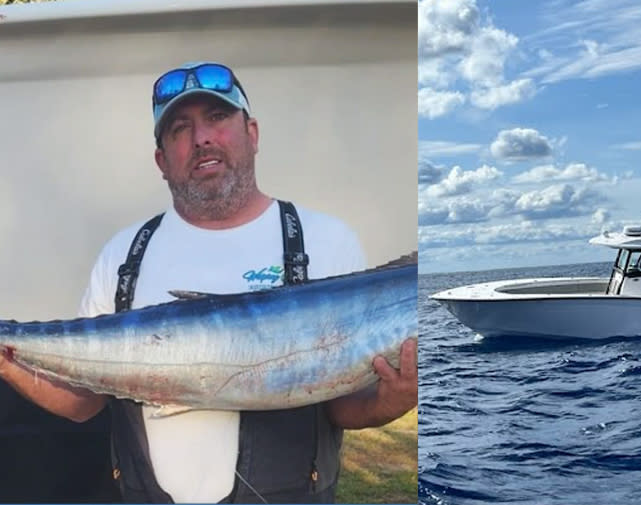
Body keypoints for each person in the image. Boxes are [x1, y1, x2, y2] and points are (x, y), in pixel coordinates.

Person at [0, 61, 417, 503]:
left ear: (251, 133)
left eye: (217, 118)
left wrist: (390, 403)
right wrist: (6, 359)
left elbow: (339, 400)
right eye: (180, 128)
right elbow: (83, 403)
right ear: (162, 159)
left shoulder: (326, 239)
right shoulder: (124, 253)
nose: (201, 138)